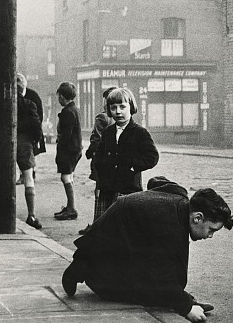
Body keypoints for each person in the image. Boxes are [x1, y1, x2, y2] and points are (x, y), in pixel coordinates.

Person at [62, 176, 233, 322]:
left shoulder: (181, 202)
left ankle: (83, 264)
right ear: (198, 218)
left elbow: (157, 182)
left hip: (117, 240)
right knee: (146, 293)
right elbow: (162, 275)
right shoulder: (169, 225)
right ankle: (80, 268)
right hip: (103, 260)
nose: (210, 236)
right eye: (211, 230)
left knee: (156, 286)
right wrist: (186, 306)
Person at [92, 87, 159, 217]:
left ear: (131, 107)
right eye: (113, 108)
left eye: (122, 107)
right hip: (108, 189)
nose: (118, 112)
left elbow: (152, 156)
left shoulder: (139, 132)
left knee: (125, 228)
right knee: (105, 227)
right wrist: (103, 169)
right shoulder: (108, 132)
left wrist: (133, 166)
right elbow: (99, 156)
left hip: (128, 189)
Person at [0, 86, 44, 229]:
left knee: (4, 177)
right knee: (28, 177)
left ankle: (2, 212)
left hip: (5, 142)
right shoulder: (29, 104)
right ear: (22, 90)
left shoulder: (1, 106)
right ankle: (31, 215)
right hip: (24, 143)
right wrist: (32, 141)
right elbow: (37, 127)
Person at [78, 87, 116, 235]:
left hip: (102, 160)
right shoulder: (121, 118)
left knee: (99, 191)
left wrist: (90, 152)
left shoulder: (102, 117)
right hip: (115, 163)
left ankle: (97, 223)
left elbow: (97, 139)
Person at [54, 82, 83, 221]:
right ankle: (70, 206)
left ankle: (71, 208)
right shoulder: (75, 109)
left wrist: (60, 151)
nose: (58, 99)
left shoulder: (67, 112)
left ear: (63, 97)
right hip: (75, 149)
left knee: (65, 177)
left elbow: (66, 135)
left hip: (68, 150)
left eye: (59, 96)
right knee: (69, 176)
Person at [16, 73, 45, 184]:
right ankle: (24, 175)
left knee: (32, 154)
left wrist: (35, 133)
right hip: (21, 133)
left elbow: (39, 114)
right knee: (22, 155)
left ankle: (30, 173)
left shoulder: (33, 96)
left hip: (32, 131)